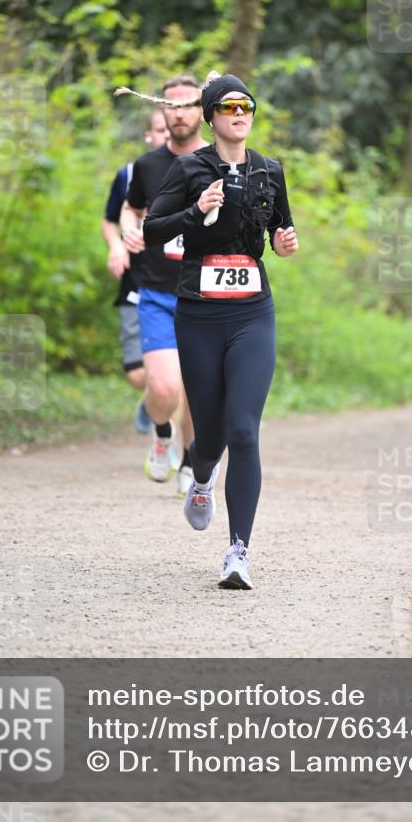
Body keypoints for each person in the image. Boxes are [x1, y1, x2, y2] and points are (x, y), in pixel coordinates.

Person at [142, 72, 299, 589]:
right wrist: (196, 210)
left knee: (243, 431)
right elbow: (152, 229)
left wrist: (284, 244)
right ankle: (201, 475)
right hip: (199, 314)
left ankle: (238, 553)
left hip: (253, 312)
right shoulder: (190, 168)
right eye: (228, 106)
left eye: (245, 106)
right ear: (211, 116)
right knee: (209, 438)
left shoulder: (270, 170)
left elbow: (279, 232)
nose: (238, 114)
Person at [120, 74, 204, 498]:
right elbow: (129, 209)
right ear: (162, 111)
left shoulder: (219, 161)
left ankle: (191, 462)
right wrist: (129, 230)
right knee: (166, 388)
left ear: (202, 110)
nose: (180, 113)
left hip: (205, 295)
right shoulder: (148, 165)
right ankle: (161, 432)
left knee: (198, 392)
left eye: (189, 104)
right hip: (156, 293)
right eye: (172, 106)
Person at [101, 110, 169, 434]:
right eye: (159, 130)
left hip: (178, 282)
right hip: (136, 280)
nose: (166, 135)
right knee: (136, 373)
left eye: (169, 130)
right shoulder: (129, 174)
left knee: (176, 368)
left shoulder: (197, 171)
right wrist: (116, 245)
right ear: (148, 135)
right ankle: (154, 396)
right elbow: (109, 220)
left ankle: (167, 427)